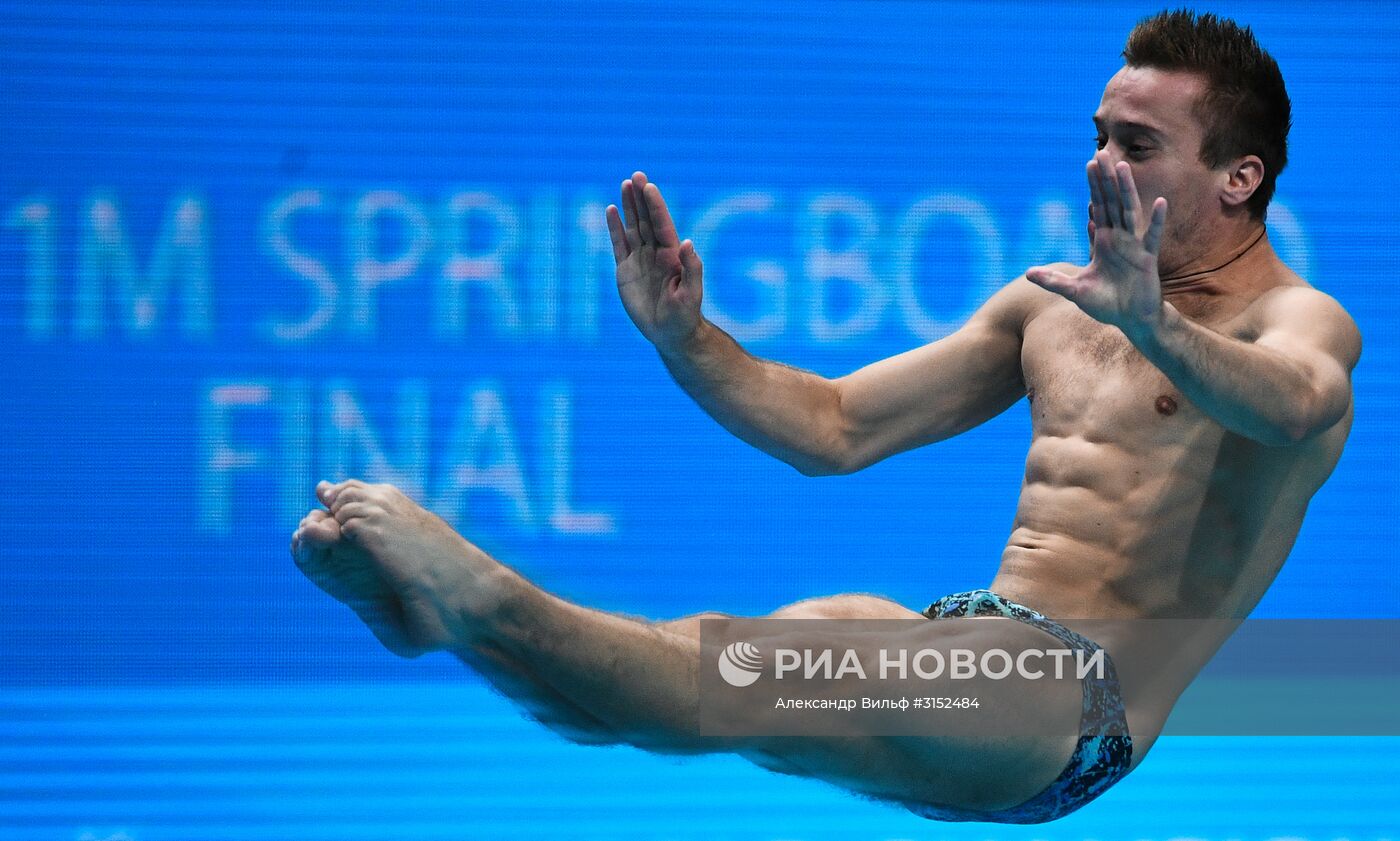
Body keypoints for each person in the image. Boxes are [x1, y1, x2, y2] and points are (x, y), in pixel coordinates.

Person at [289, 9, 1360, 824]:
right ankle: (448, 623)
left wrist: (1156, 329)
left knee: (768, 662)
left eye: (1134, 145)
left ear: (1238, 177)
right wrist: (683, 339)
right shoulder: (1050, 304)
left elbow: (1299, 402)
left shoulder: (1293, 320)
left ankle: (474, 590)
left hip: (1073, 704)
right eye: (1096, 136)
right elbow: (833, 425)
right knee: (701, 682)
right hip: (976, 658)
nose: (1096, 164)